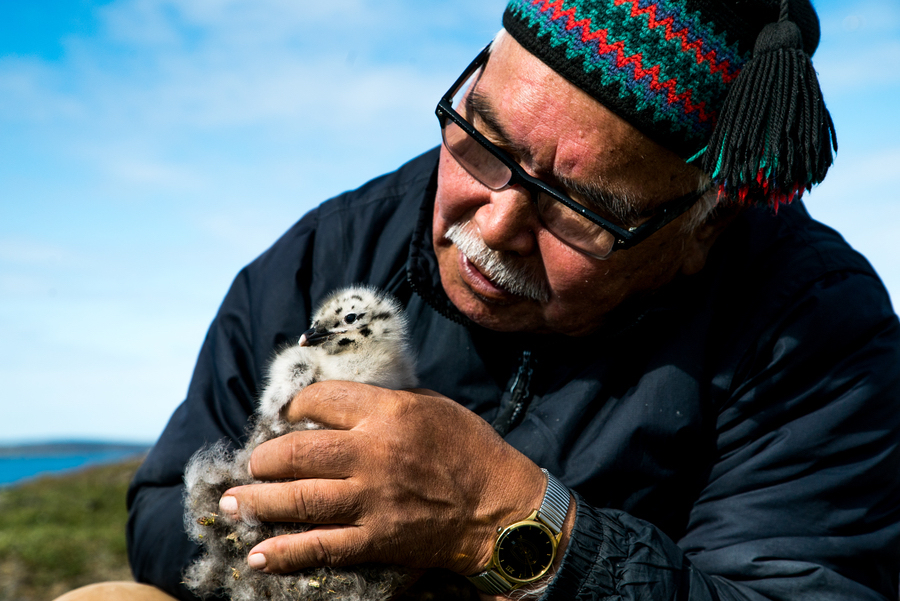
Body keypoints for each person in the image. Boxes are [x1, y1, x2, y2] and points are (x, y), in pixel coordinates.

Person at [123, 0, 900, 600]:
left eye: (581, 205)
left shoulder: (819, 334)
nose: (492, 224)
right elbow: (161, 504)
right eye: (485, 139)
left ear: (708, 219)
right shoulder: (339, 244)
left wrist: (508, 523)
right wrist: (291, 541)